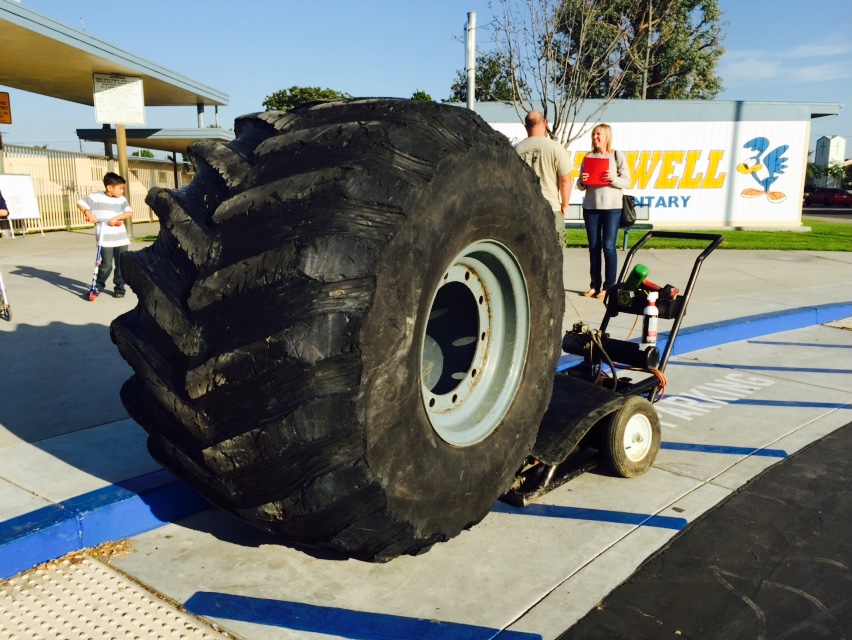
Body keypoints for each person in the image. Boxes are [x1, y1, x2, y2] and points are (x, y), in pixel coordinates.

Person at [576, 124, 631, 299]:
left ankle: (609, 288)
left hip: (612, 208)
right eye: (593, 134)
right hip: (591, 208)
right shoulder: (588, 158)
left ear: (607, 136)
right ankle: (594, 286)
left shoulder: (616, 155)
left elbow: (627, 181)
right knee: (594, 248)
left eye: (598, 134)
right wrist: (582, 181)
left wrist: (613, 179)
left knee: (608, 247)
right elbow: (580, 186)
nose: (595, 137)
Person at [514, 111, 573, 242]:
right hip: (550, 207)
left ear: (525, 126)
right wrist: (564, 205)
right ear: (545, 122)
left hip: (524, 209)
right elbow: (565, 181)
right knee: (555, 252)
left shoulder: (515, 150)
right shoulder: (555, 148)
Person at [76, 172, 133, 298]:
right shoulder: (96, 197)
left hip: (120, 238)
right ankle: (97, 286)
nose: (122, 191)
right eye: (120, 188)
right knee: (106, 264)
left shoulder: (121, 199)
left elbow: (129, 213)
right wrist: (89, 214)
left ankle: (119, 288)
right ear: (109, 187)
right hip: (104, 237)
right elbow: (80, 203)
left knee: (121, 263)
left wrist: (116, 218)